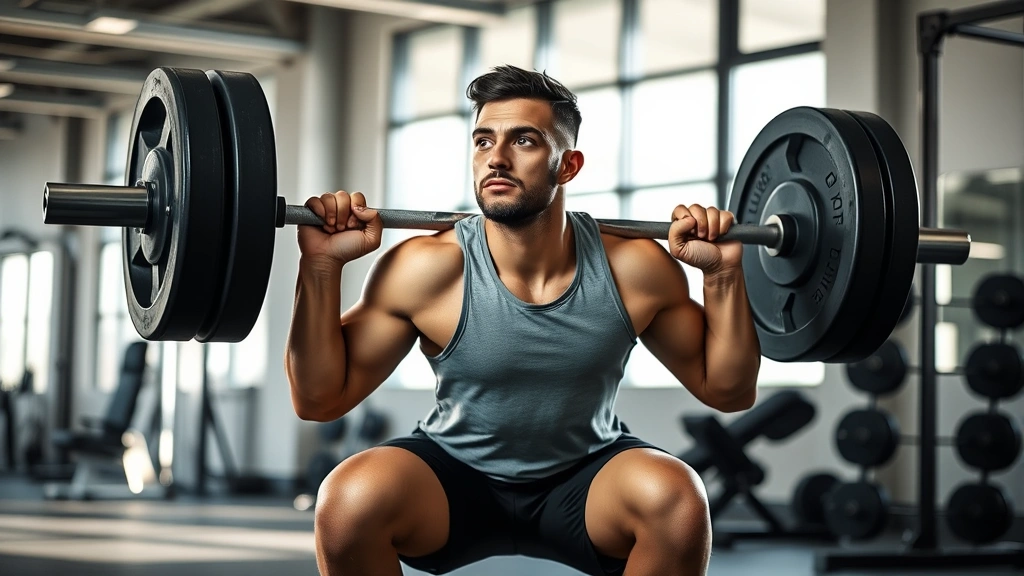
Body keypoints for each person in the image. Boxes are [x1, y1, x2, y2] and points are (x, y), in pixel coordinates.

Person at [285, 65, 761, 576]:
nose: (496, 157)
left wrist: (723, 277)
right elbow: (318, 399)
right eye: (483, 140)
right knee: (348, 500)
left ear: (568, 165)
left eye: (525, 141)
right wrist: (321, 266)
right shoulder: (427, 269)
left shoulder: (634, 268)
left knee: (677, 499)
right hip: (453, 479)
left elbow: (727, 391)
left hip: (587, 478)